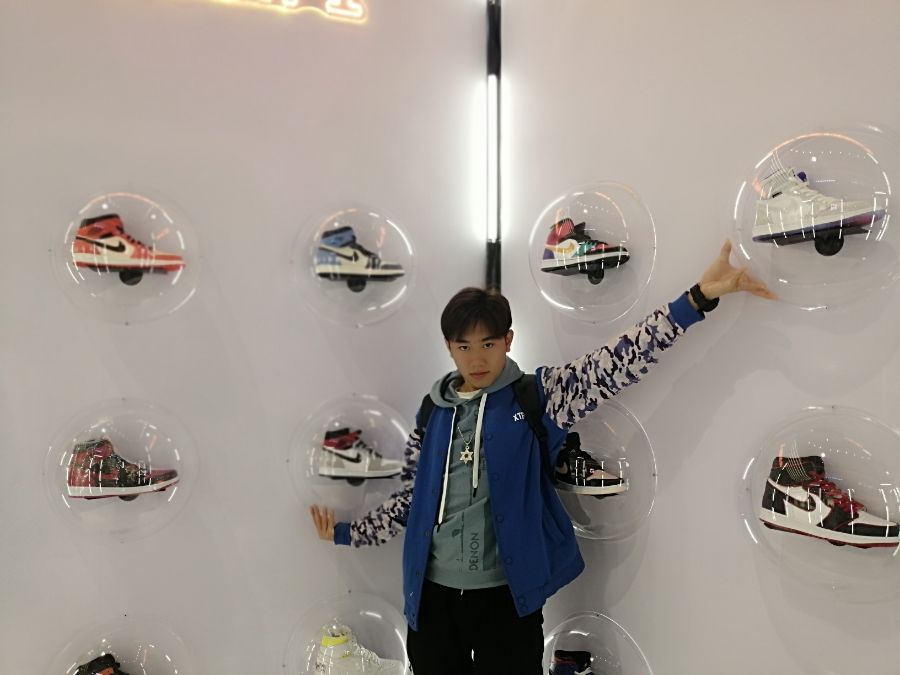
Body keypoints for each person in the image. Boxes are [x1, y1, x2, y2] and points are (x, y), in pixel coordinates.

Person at [310, 241, 774, 674]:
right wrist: (348, 532)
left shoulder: (539, 395)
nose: (476, 359)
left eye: (488, 344)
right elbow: (410, 501)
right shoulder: (432, 411)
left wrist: (697, 299)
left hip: (507, 597)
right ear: (449, 347)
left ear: (508, 340)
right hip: (432, 600)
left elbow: (618, 362)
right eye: (464, 346)